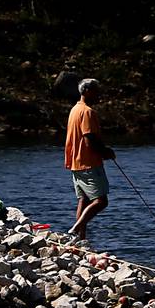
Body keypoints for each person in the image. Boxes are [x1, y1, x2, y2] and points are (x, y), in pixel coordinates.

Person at [64, 77, 115, 242]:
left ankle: (80, 238)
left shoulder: (74, 109)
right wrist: (105, 152)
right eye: (96, 91)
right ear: (87, 91)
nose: (99, 95)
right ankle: (74, 230)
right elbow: (89, 138)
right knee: (101, 201)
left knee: (84, 200)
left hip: (75, 162)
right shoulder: (87, 112)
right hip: (88, 162)